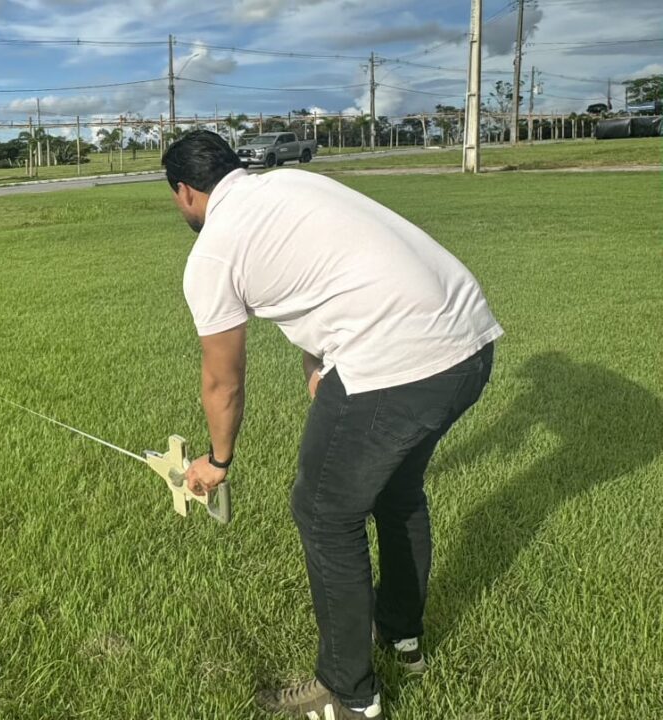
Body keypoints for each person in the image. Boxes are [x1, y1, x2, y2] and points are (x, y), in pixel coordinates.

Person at [164, 131, 502, 719]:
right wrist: (319, 360)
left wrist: (217, 462)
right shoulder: (290, 184)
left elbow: (223, 381)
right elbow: (328, 273)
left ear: (185, 192)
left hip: (400, 361)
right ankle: (401, 638)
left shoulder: (213, 251)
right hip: (469, 346)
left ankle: (349, 696)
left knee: (323, 511)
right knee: (397, 493)